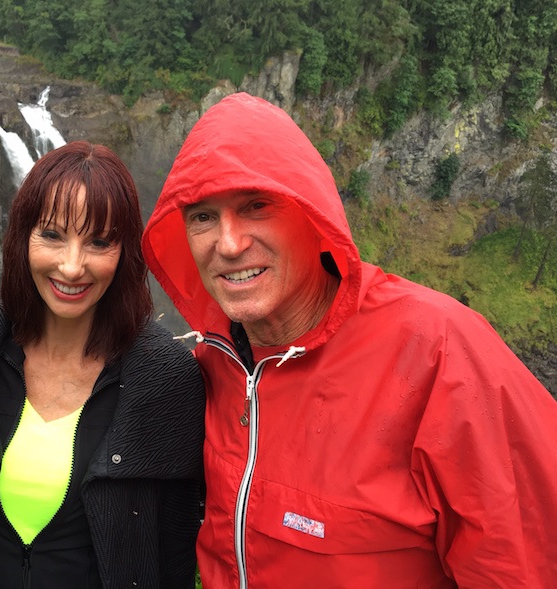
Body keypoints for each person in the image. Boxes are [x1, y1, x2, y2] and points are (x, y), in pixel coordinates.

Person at [141, 92, 557, 588]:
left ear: (311, 213)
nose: (228, 244)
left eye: (256, 205)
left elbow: (521, 565)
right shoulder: (210, 367)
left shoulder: (443, 355)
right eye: (202, 216)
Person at [0, 141, 205, 588]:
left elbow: (174, 551)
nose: (71, 266)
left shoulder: (166, 379)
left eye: (99, 241)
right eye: (52, 235)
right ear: (22, 237)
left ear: (125, 252)